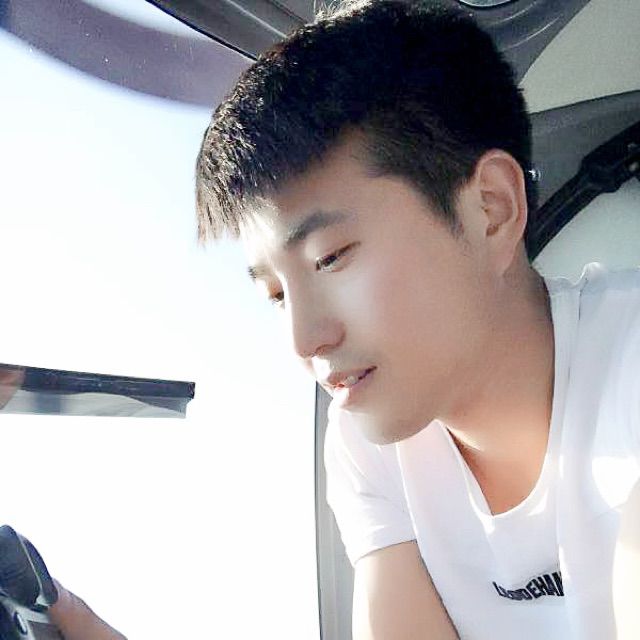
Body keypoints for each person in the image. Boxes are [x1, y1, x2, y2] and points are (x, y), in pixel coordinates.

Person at [50, 1, 640, 638]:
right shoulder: (369, 449)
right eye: (276, 295)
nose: (306, 340)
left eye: (330, 258)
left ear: (490, 211)